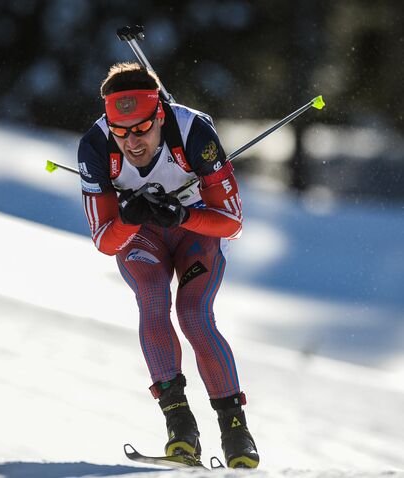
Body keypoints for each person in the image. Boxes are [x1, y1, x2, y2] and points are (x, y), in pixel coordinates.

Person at [76, 62, 259, 469]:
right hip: (141, 236)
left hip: (195, 231)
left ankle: (235, 429)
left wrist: (182, 215)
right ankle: (180, 425)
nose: (132, 142)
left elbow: (232, 223)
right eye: (120, 131)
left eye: (141, 128)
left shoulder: (193, 132)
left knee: (194, 316)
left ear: (159, 114)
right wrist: (130, 216)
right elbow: (105, 240)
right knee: (152, 297)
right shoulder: (94, 145)